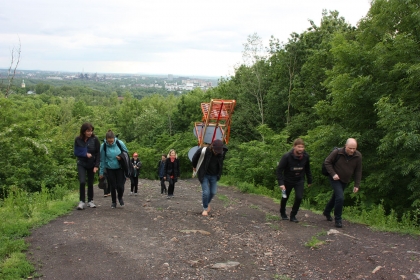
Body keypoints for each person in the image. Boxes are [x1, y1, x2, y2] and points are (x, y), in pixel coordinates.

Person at [323, 138, 362, 228]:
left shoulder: (358, 156)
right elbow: (327, 162)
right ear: (345, 146)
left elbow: (358, 171)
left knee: (336, 197)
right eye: (350, 148)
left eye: (354, 148)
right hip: (335, 178)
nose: (352, 150)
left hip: (345, 180)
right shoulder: (337, 152)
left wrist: (357, 184)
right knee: (340, 197)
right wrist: (333, 174)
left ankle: (327, 211)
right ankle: (338, 219)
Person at [276, 138, 312, 223]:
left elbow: (307, 169)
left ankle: (293, 215)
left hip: (299, 180)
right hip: (287, 180)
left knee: (299, 197)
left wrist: (310, 180)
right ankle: (283, 213)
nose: (301, 149)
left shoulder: (305, 157)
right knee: (285, 197)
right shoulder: (287, 156)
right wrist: (281, 183)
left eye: (302, 147)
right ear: (294, 147)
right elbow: (279, 170)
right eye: (299, 147)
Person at [192, 139, 227, 216]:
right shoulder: (204, 150)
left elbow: (221, 162)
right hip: (204, 174)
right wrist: (194, 166)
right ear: (212, 147)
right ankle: (205, 208)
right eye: (216, 151)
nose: (217, 153)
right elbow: (194, 157)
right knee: (206, 192)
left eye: (219, 151)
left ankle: (206, 203)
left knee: (213, 192)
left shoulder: (221, 152)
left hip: (214, 175)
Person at [99, 130, 129, 208]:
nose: (110, 143)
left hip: (119, 167)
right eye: (109, 141)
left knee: (120, 186)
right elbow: (102, 159)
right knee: (113, 185)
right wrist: (101, 172)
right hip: (109, 168)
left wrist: (121, 157)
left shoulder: (119, 143)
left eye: (111, 141)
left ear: (114, 138)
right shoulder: (103, 146)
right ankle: (113, 202)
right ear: (106, 139)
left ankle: (120, 197)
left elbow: (126, 153)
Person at [74, 123, 101, 210]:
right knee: (82, 182)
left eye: (91, 131)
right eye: (88, 131)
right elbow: (76, 152)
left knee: (90, 182)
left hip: (91, 163)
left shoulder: (95, 139)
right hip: (81, 163)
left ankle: (90, 200)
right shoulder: (78, 139)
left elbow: (98, 153)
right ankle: (82, 201)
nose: (90, 132)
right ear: (84, 131)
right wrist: (85, 154)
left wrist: (96, 165)